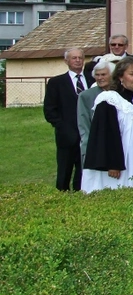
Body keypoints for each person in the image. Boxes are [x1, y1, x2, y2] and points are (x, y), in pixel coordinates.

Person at [82, 56, 133, 193]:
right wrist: (113, 164)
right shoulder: (110, 100)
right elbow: (104, 134)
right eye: (132, 74)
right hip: (120, 161)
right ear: (120, 77)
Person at [44, 47, 93, 191]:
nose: (78, 61)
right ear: (66, 61)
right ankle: (62, 196)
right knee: (65, 169)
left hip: (88, 133)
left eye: (80, 58)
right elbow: (49, 110)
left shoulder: (92, 80)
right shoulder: (56, 83)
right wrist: (62, 127)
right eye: (74, 58)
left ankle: (81, 192)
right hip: (67, 135)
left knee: (84, 169)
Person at [78, 56, 116, 166]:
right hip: (94, 145)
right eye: (97, 75)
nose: (100, 78)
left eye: (103, 75)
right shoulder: (86, 96)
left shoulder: (120, 93)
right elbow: (84, 124)